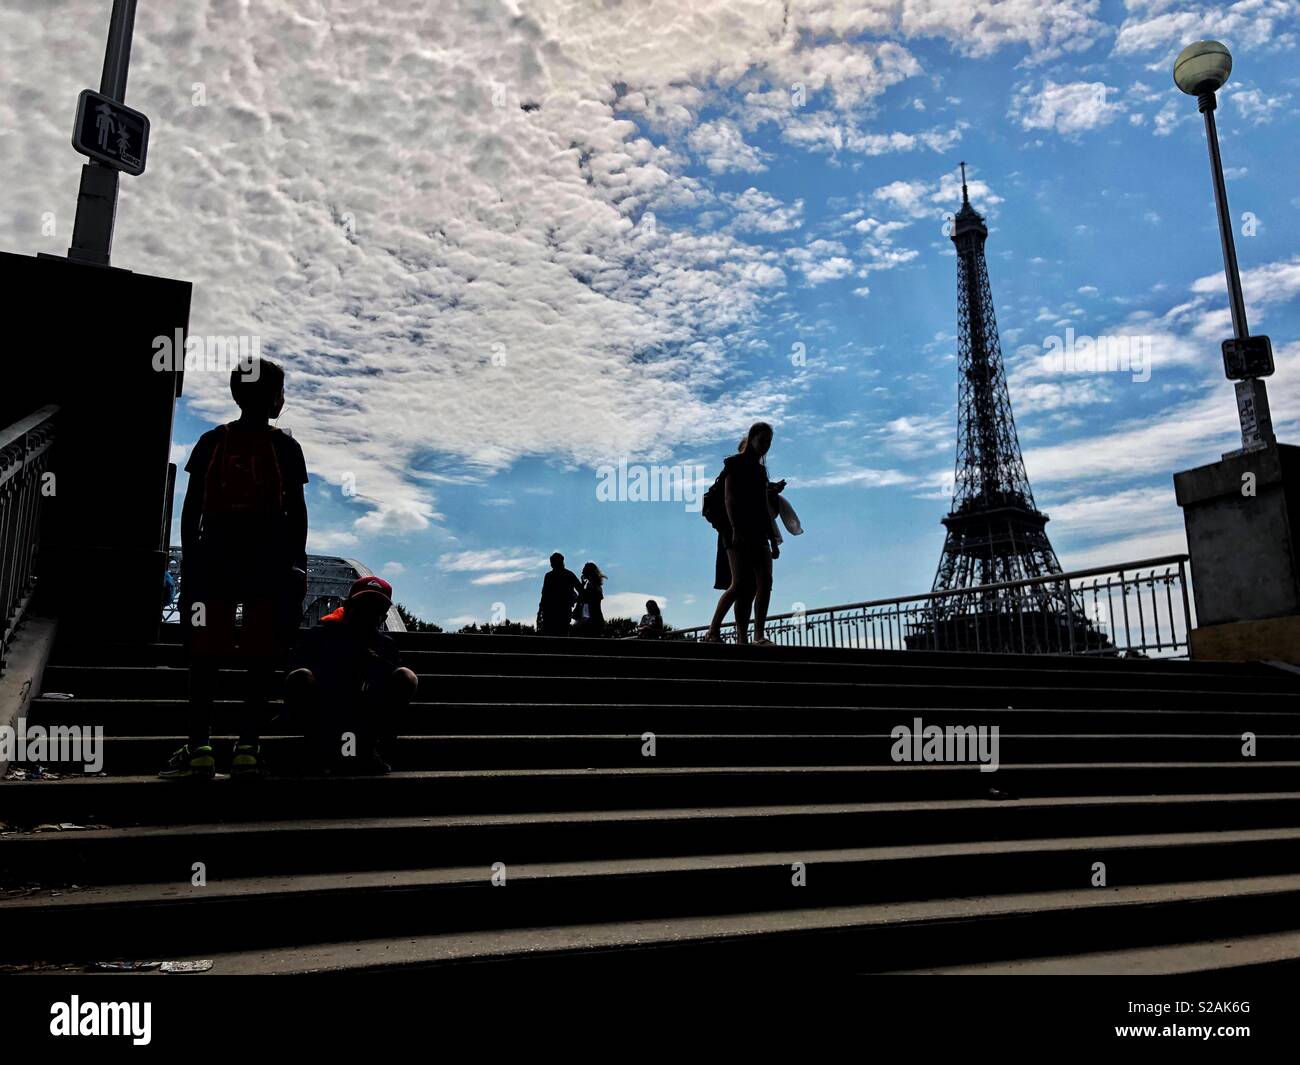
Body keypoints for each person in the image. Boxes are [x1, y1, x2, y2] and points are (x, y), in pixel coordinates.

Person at [161, 358, 309, 780]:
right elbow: (296, 513)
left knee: (205, 655)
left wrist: (192, 561)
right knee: (262, 655)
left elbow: (192, 510)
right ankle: (248, 749)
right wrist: (296, 565)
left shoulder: (211, 441)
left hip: (216, 557)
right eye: (281, 392)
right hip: (269, 561)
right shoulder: (287, 447)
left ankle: (199, 749)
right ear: (273, 398)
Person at [284, 575, 417, 775]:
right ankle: (323, 748)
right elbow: (296, 677)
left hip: (363, 712)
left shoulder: (385, 645)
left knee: (406, 676)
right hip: (324, 710)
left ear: (385, 616)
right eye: (364, 605)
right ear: (348, 605)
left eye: (377, 608)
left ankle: (365, 749)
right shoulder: (319, 635)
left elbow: (391, 681)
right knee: (301, 677)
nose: (370, 613)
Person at [706, 422, 783, 645]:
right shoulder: (734, 464)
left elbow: (763, 508)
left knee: (765, 581)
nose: (766, 446)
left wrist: (774, 539)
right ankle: (713, 630)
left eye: (769, 442)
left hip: (758, 532)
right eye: (763, 440)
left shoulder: (760, 471)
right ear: (751, 438)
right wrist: (736, 529)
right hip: (736, 532)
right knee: (739, 584)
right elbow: (729, 499)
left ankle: (758, 633)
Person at [538, 552, 581, 636]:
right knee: (562, 636)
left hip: (551, 612)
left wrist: (540, 611)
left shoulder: (549, 576)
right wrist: (574, 599)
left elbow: (544, 596)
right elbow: (581, 590)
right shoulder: (569, 575)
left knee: (550, 636)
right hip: (562, 611)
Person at [573, 561, 606, 635]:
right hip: (596, 618)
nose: (582, 572)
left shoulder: (591, 586)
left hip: (591, 620)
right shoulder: (596, 585)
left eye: (584, 570)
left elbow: (585, 601)